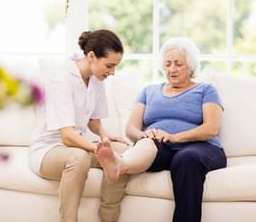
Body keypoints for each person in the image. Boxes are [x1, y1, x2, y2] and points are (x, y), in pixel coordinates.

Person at [96, 37, 227, 222]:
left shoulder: (205, 89)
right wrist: (143, 134)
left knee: (185, 159)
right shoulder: (149, 91)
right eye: (167, 64)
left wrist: (175, 137)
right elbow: (131, 128)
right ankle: (120, 165)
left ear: (190, 66)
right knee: (146, 143)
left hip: (201, 148)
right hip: (161, 147)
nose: (171, 69)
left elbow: (211, 128)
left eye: (178, 64)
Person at [29, 29, 129, 222]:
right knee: (79, 157)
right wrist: (100, 149)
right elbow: (66, 135)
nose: (113, 72)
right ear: (91, 56)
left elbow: (94, 121)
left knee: (123, 153)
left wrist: (104, 136)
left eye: (115, 67)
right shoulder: (61, 78)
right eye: (109, 65)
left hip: (78, 144)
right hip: (48, 150)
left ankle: (108, 218)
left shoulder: (97, 79)